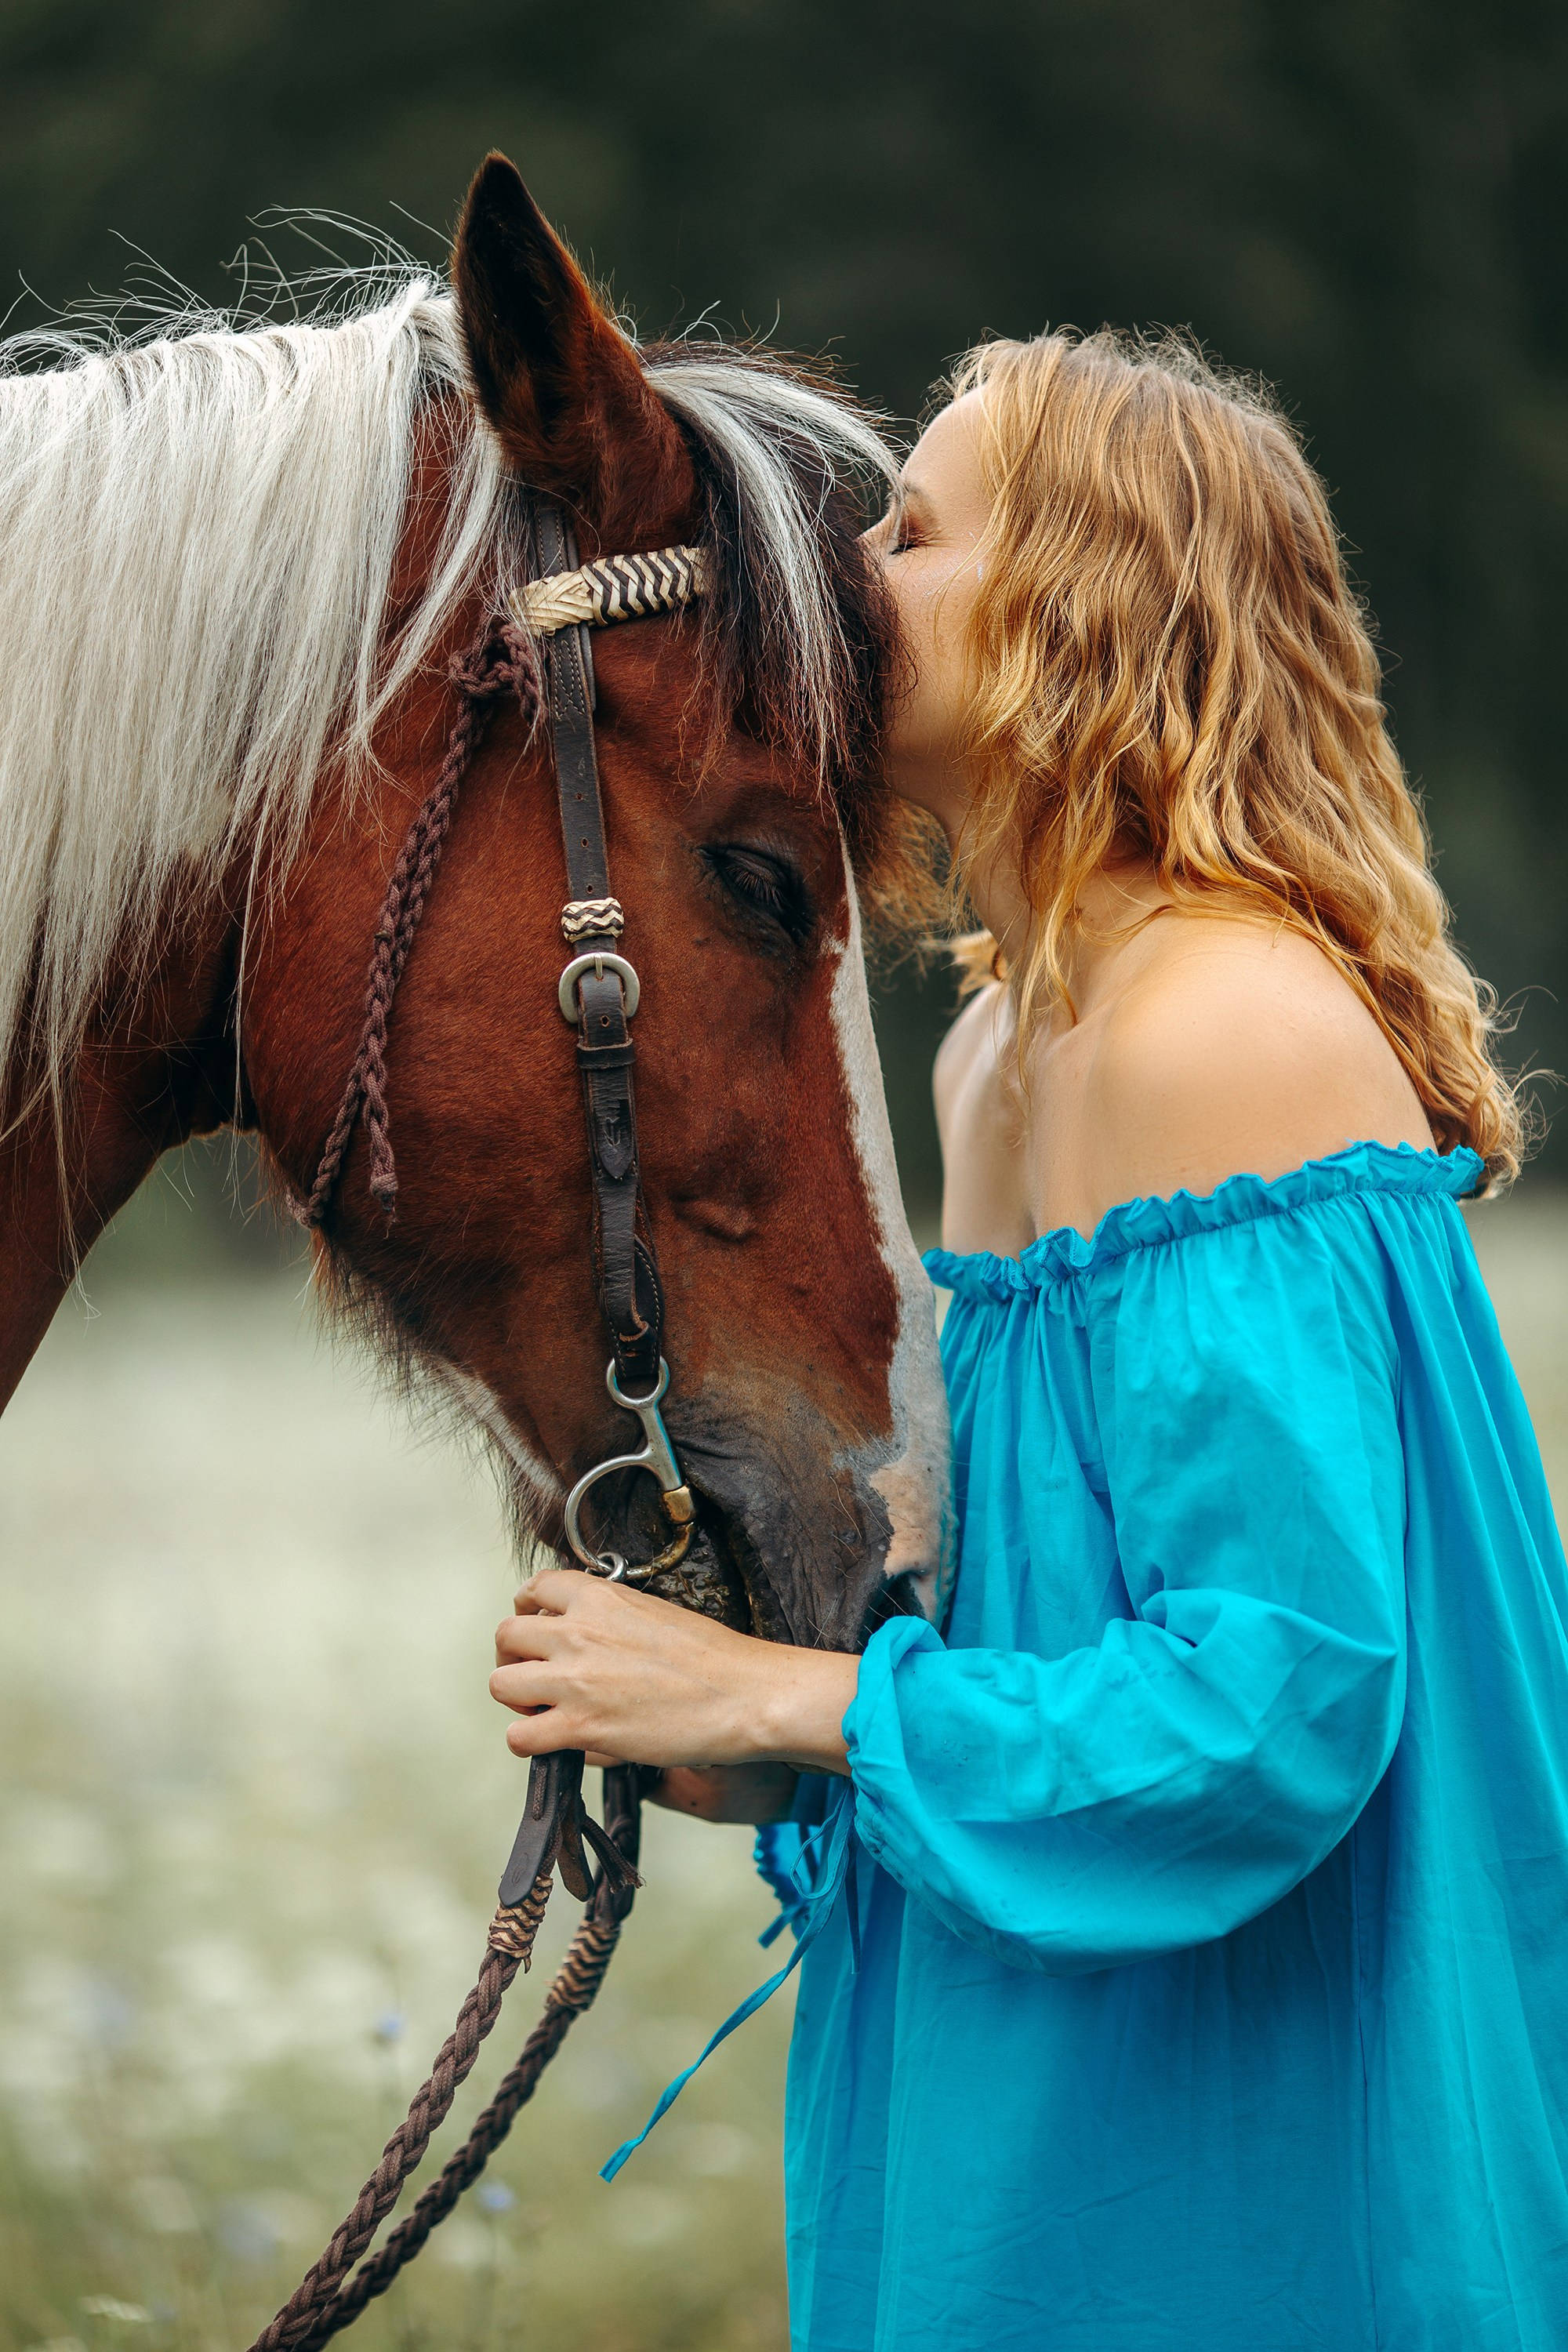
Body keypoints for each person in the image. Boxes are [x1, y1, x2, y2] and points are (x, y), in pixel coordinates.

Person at [489, 329, 1568, 2351]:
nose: (845, 563)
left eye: (908, 528)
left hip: (1243, 2115)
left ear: (1092, 606)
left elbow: (1277, 1704)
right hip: (1029, 2044)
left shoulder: (1218, 1031)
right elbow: (1046, 1618)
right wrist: (736, 1709)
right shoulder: (1003, 1037)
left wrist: (778, 1706)